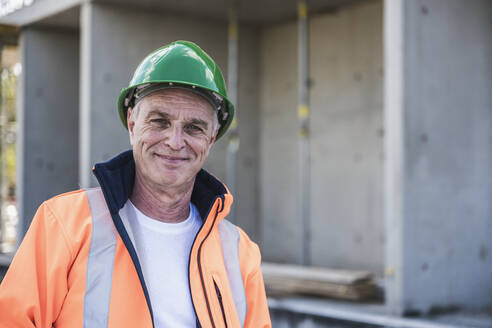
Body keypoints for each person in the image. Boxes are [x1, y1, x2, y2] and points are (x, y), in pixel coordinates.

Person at [0, 40, 271, 328]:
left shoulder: (239, 253)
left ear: (212, 138)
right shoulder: (64, 225)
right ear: (132, 124)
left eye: (194, 127)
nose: (175, 142)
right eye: (159, 121)